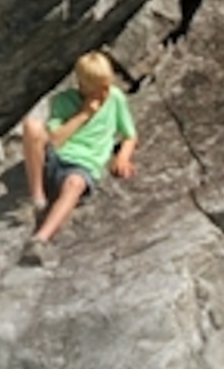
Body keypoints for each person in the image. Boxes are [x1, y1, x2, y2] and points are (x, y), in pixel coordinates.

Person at [19, 52, 136, 261]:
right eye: (98, 87)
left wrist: (123, 157)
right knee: (32, 126)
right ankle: (38, 199)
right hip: (55, 158)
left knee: (75, 184)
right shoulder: (64, 101)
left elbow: (130, 135)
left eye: (106, 85)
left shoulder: (115, 98)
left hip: (82, 166)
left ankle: (40, 240)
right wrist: (83, 115)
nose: (104, 91)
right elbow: (55, 139)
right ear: (83, 84)